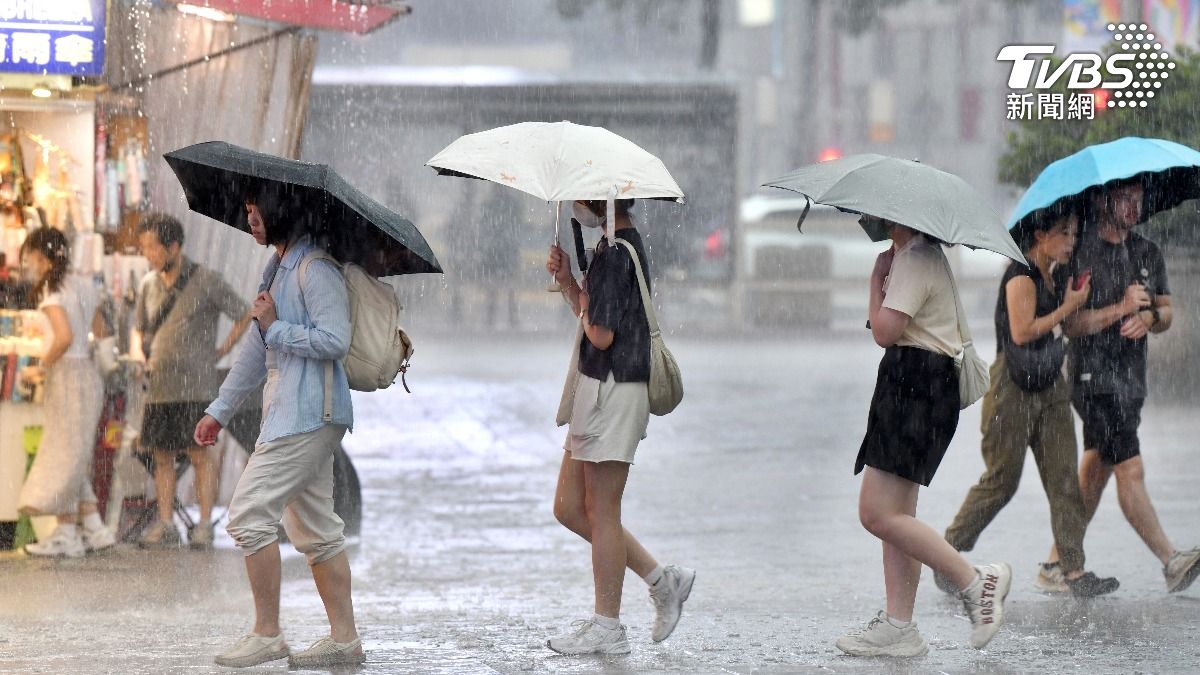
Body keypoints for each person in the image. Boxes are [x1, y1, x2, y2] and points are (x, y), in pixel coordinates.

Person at [193, 189, 363, 668]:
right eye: (246, 210)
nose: (251, 219)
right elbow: (256, 348)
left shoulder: (315, 268)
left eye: (257, 210)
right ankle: (345, 639)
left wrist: (276, 327)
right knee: (316, 530)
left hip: (309, 413)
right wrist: (220, 409)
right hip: (289, 411)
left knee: (248, 515)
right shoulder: (277, 268)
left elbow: (335, 339)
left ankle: (268, 633)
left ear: (282, 211)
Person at [837, 216, 1010, 658]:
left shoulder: (914, 258)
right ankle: (899, 626)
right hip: (921, 387)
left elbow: (884, 331)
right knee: (899, 517)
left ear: (896, 213)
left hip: (914, 386)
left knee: (876, 514)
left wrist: (876, 280)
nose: (866, 218)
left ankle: (975, 581)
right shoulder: (920, 256)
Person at [936, 206, 1119, 597]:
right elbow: (1022, 333)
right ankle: (946, 552)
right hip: (1012, 389)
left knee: (1064, 478)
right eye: (1064, 233)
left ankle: (1073, 569)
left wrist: (1077, 302)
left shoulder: (1054, 276)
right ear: (1040, 236)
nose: (1072, 241)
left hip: (1050, 384)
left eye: (1074, 233)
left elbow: (1059, 326)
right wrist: (1068, 307)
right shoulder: (1020, 275)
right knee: (1002, 481)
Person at [543, 198, 695, 656]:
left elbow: (601, 334)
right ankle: (661, 579)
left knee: (602, 511)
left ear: (598, 202)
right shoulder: (613, 247)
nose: (574, 207)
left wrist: (583, 288)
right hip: (601, 387)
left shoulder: (614, 253)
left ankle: (608, 625)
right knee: (570, 506)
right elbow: (594, 319)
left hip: (614, 389)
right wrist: (571, 282)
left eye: (579, 200)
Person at [1041, 179, 1200, 593]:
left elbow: (1165, 311)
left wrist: (1149, 319)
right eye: (1124, 198)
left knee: (1096, 471)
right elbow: (1071, 323)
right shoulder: (1083, 252)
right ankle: (1171, 560)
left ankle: (1057, 562)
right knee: (1130, 466)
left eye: (1139, 198)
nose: (1133, 206)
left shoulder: (1147, 251)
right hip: (1093, 381)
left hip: (1131, 380)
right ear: (1101, 199)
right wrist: (1121, 309)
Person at [132, 213, 252, 549]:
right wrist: (140, 357)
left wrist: (221, 351)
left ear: (173, 246)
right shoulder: (148, 284)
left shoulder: (206, 280)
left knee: (199, 454)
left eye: (151, 247)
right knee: (162, 455)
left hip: (196, 386)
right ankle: (167, 522)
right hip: (158, 386)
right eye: (143, 248)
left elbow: (245, 313)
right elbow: (138, 328)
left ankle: (202, 524)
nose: (147, 255)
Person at [17, 227, 115, 558]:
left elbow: (62, 336)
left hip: (67, 378)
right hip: (88, 376)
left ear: (42, 258)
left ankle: (65, 533)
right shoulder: (85, 286)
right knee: (74, 455)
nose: (28, 264)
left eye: (29, 257)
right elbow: (100, 331)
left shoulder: (52, 293)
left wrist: (39, 366)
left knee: (62, 456)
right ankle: (94, 528)